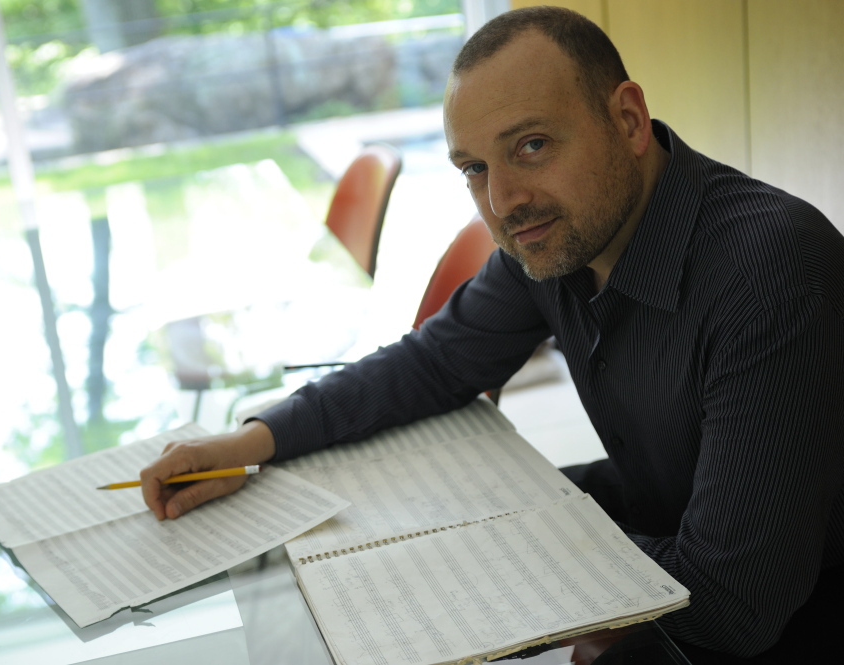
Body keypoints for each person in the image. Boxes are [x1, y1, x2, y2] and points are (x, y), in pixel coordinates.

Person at [140, 6, 844, 662]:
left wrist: (498, 554)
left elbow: (731, 605)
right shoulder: (555, 237)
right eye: (474, 168)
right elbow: (434, 361)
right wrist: (250, 442)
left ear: (627, 120)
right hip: (671, 522)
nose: (502, 202)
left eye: (531, 145)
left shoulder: (771, 277)